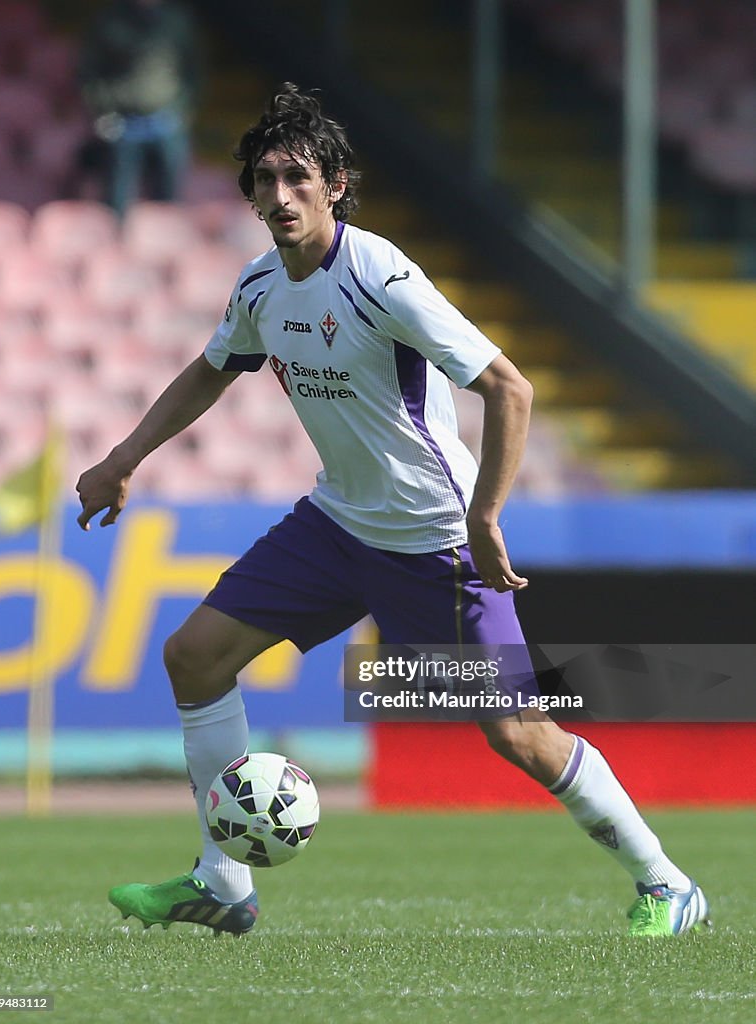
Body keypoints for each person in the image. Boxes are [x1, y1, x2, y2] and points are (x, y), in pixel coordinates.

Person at [76, 83, 710, 938]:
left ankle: (667, 884)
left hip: (432, 540)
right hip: (337, 525)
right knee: (194, 657)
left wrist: (486, 516)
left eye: (297, 177)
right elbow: (212, 367)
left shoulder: (380, 277)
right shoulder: (262, 284)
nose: (279, 195)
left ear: (335, 184)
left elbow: (507, 386)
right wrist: (123, 459)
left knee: (519, 735)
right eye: (263, 180)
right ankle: (222, 887)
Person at [77, 0, 202, 218]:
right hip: (123, 118)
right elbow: (90, 71)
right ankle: (115, 242)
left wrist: (184, 107)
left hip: (166, 116)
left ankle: (165, 237)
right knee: (118, 191)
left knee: (170, 190)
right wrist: (102, 112)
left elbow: (192, 68)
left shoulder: (176, 19)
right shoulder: (111, 20)